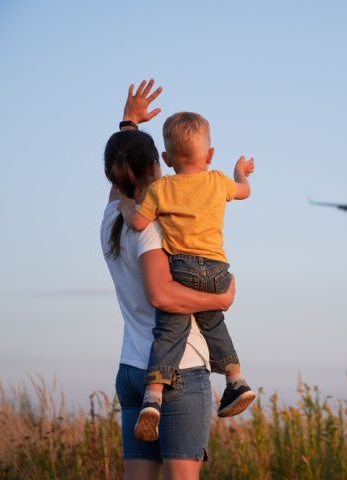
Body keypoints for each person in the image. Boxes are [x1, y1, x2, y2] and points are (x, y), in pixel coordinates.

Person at [102, 79, 227, 479]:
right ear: (159, 166)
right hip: (178, 370)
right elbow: (161, 294)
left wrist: (129, 124)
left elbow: (122, 175)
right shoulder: (152, 227)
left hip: (131, 369)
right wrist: (219, 301)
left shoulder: (111, 218)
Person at [119, 104, 256, 440]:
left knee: (169, 327)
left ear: (166, 159)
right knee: (213, 320)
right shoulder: (218, 180)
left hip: (181, 267)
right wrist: (240, 171)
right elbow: (245, 191)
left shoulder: (161, 189)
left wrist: (126, 207)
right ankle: (236, 379)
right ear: (209, 155)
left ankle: (153, 397)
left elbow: (138, 222)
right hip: (217, 269)